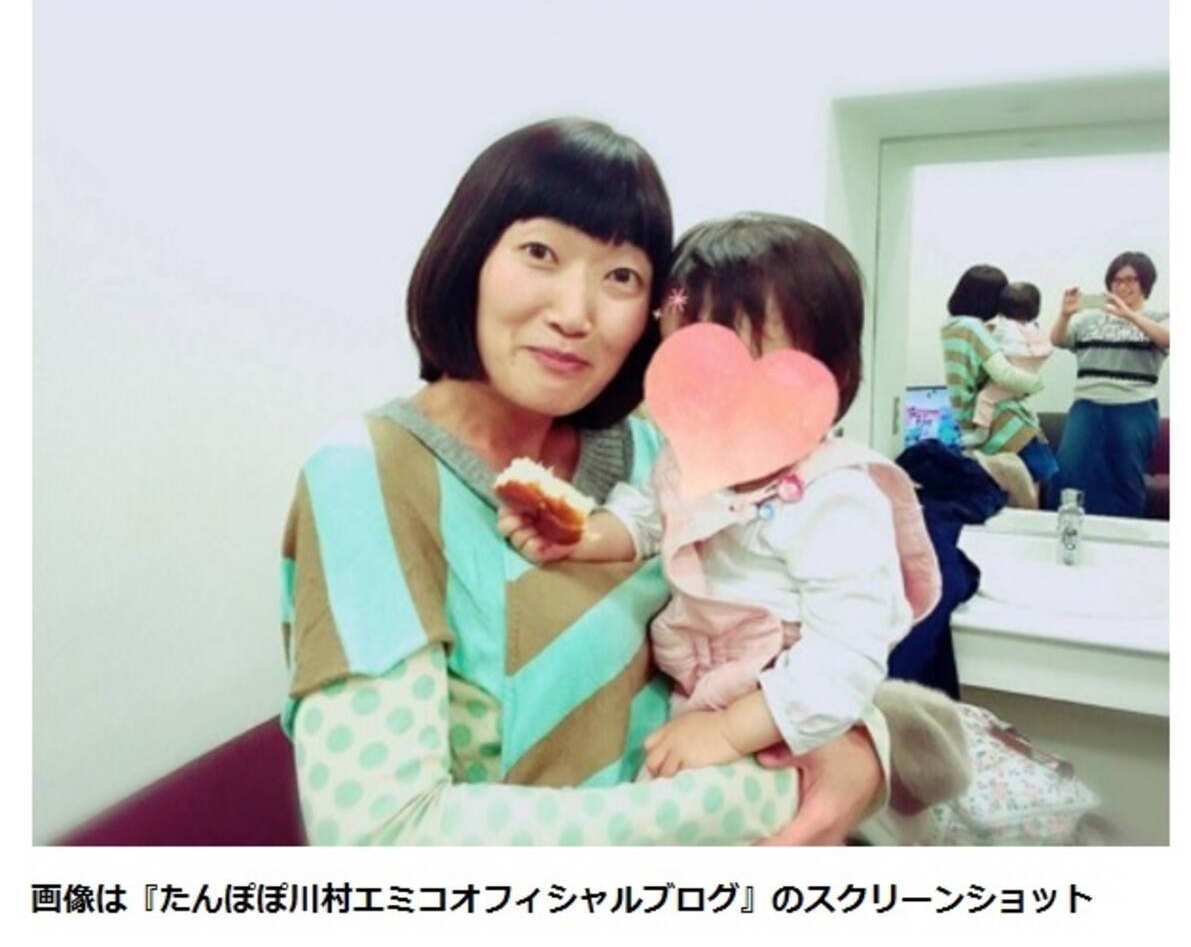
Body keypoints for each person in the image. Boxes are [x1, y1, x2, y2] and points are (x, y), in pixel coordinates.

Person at [279, 118, 968, 846]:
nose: (575, 315)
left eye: (621, 278)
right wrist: (771, 795)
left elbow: (812, 635)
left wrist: (860, 753)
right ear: (469, 255)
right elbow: (383, 838)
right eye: (540, 252)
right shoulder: (367, 473)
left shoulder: (654, 447)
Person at [499, 214, 943, 783]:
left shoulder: (835, 499)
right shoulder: (689, 458)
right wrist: (582, 536)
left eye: (743, 372)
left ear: (828, 377)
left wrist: (731, 730)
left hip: (782, 710)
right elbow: (648, 516)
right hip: (697, 689)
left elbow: (847, 655)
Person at [1050, 251, 1169, 517]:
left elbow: (1169, 339)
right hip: (1087, 405)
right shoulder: (1090, 319)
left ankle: (1127, 536)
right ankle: (1068, 531)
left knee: (1126, 478)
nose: (1123, 286)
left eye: (1131, 280)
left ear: (1145, 283)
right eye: (1116, 280)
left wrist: (1130, 315)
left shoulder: (1159, 318)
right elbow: (1058, 340)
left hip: (1134, 407)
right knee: (1069, 471)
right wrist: (1065, 315)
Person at [940, 265, 1055, 507]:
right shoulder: (973, 328)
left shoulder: (951, 328)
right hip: (1006, 423)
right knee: (1027, 491)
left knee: (998, 495)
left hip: (976, 422)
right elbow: (1004, 374)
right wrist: (1035, 383)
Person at [963, 281, 1058, 490]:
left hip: (1011, 419)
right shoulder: (1034, 330)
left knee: (986, 399)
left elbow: (1001, 374)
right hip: (1018, 407)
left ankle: (980, 433)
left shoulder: (997, 330)